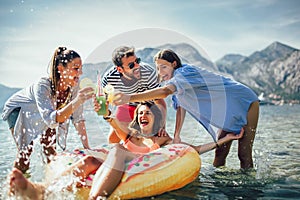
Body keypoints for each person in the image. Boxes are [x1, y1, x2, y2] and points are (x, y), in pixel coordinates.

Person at [8, 101, 244, 199]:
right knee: (91, 160)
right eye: (140, 113)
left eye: (147, 113)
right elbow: (112, 122)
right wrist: (105, 112)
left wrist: (225, 140)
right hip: (114, 162)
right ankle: (40, 190)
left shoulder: (162, 139)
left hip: (139, 163)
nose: (143, 115)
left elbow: (193, 149)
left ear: (156, 118)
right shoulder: (130, 135)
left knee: (119, 152)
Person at [112, 49, 260, 169]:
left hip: (243, 101)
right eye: (158, 68)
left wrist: (129, 97)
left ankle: (248, 191)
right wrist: (177, 135)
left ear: (174, 64)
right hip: (227, 111)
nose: (160, 71)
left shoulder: (184, 73)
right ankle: (218, 189)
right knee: (220, 153)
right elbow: (180, 108)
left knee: (244, 154)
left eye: (164, 67)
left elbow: (164, 92)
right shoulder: (176, 84)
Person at [2, 47, 94, 174]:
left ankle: (50, 183)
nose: (80, 73)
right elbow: (51, 119)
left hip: (47, 113)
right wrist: (77, 101)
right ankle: (14, 187)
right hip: (19, 110)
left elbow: (77, 118)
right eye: (76, 68)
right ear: (61, 69)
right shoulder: (43, 85)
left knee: (51, 151)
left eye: (80, 69)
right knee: (25, 154)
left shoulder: (74, 85)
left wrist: (87, 148)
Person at [101, 46, 166, 143]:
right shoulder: (109, 79)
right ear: (119, 69)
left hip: (148, 106)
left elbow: (159, 100)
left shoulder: (149, 73)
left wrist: (162, 127)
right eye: (131, 65)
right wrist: (103, 108)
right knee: (113, 139)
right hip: (127, 106)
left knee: (157, 137)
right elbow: (105, 103)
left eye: (137, 61)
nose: (137, 66)